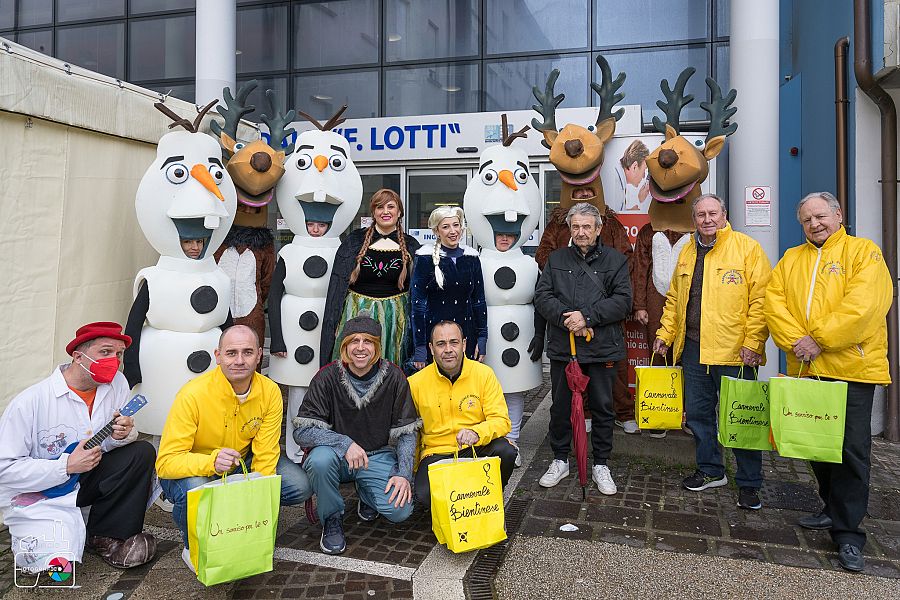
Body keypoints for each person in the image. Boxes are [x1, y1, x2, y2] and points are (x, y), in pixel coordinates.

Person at [764, 191, 892, 572]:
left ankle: (849, 533)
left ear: (838, 215)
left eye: (820, 216)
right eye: (807, 219)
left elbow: (864, 307)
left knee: (851, 451)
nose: (814, 224)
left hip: (852, 370)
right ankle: (832, 509)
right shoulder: (791, 259)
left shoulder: (864, 252)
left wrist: (818, 339)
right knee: (816, 446)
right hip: (808, 368)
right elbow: (774, 305)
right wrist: (798, 343)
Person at [0, 322, 157, 572]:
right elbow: (5, 469)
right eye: (105, 352)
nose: (114, 361)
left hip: (87, 478)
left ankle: (108, 536)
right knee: (59, 566)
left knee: (141, 452)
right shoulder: (30, 403)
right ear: (78, 356)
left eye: (118, 354)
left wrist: (121, 435)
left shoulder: (117, 383)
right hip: (44, 492)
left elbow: (107, 444)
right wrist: (66, 466)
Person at [156, 325, 312, 572]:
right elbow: (166, 463)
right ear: (218, 356)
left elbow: (266, 452)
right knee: (196, 488)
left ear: (259, 355)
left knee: (299, 485)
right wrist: (211, 462)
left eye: (247, 352)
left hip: (242, 462)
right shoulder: (192, 394)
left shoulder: (269, 391)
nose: (239, 360)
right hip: (196, 467)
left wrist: (255, 503)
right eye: (231, 353)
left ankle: (236, 523)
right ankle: (192, 545)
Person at [653, 193, 771, 510]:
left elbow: (762, 302)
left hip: (736, 352)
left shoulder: (747, 249)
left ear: (724, 215)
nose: (707, 219)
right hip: (694, 349)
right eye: (701, 214)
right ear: (694, 219)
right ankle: (710, 470)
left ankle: (749, 483)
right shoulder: (688, 251)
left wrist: (753, 343)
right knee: (699, 415)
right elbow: (675, 300)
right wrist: (665, 334)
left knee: (742, 418)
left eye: (713, 213)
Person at [294, 315, 420, 555]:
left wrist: (404, 474)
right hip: (336, 456)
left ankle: (366, 491)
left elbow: (407, 431)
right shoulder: (327, 376)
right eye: (354, 341)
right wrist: (344, 443)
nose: (360, 347)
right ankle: (332, 518)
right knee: (320, 461)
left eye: (368, 341)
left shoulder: (394, 376)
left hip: (376, 455)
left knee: (400, 511)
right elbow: (302, 430)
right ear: (344, 346)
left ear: (377, 347)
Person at [534, 202, 632, 495]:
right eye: (575, 226)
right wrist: (570, 320)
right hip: (565, 347)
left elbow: (623, 301)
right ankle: (560, 459)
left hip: (602, 348)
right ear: (569, 228)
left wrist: (587, 317)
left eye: (587, 227)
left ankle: (601, 463)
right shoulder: (556, 259)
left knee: (602, 407)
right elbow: (542, 297)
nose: (581, 232)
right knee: (561, 407)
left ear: (598, 229)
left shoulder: (615, 260)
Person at [409, 321, 516, 505]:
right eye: (441, 344)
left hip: (475, 447)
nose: (448, 349)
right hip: (436, 453)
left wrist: (476, 432)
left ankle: (491, 498)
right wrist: (413, 471)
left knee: (506, 451)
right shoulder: (415, 383)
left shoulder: (484, 374)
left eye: (454, 342)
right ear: (431, 348)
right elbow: (411, 433)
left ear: (464, 344)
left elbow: (501, 420)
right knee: (424, 495)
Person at [321, 189, 420, 369]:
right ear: (373, 212)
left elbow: (418, 289)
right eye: (379, 207)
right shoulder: (354, 241)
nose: (385, 211)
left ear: (399, 212)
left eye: (391, 207)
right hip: (357, 312)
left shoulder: (411, 245)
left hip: (395, 318)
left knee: (390, 365)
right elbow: (337, 286)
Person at [411, 206, 487, 369]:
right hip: (434, 336)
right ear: (436, 231)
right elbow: (418, 306)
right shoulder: (425, 258)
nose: (453, 231)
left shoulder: (472, 258)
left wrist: (482, 337)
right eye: (446, 227)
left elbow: (479, 301)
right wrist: (420, 347)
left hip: (466, 334)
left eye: (456, 225)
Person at [616, 140, 650, 213]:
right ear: (635, 166)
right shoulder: (616, 182)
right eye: (644, 170)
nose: (644, 176)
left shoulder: (619, 178)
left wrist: (638, 202)